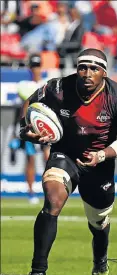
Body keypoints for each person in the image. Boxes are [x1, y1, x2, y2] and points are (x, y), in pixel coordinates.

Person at [20, 48, 117, 275]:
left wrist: (102, 154)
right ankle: (37, 273)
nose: (87, 73)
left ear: (103, 73)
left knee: (98, 223)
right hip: (66, 155)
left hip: (100, 163)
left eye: (94, 69)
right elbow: (30, 104)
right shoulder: (58, 88)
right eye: (83, 67)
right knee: (52, 201)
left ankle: (100, 260)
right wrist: (27, 129)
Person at [9, 53, 50, 204]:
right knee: (31, 160)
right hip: (30, 127)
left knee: (49, 159)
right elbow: (29, 96)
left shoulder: (46, 83)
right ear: (30, 68)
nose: (36, 69)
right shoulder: (23, 84)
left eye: (38, 66)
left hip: (45, 127)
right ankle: (31, 192)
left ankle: (50, 190)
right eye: (33, 66)